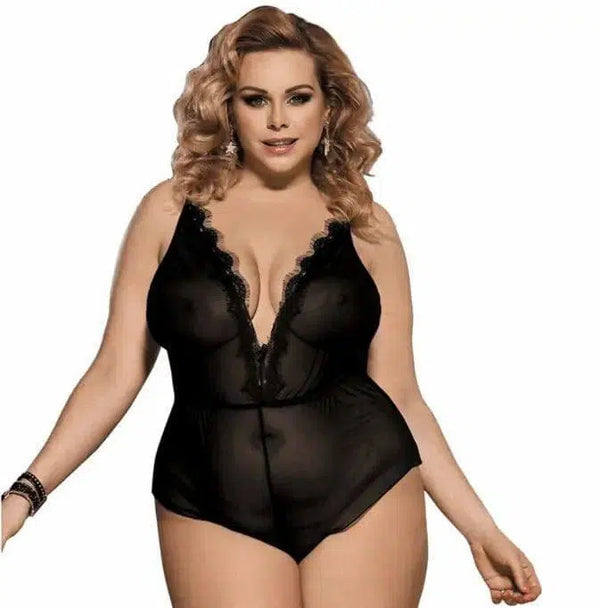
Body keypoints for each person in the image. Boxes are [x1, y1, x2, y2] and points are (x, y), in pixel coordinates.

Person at [1, 6, 542, 607]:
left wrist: (480, 529)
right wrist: (22, 497)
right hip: (208, 498)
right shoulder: (167, 212)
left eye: (298, 98)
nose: (278, 120)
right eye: (255, 99)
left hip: (364, 488)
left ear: (329, 107)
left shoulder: (367, 226)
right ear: (227, 107)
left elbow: (401, 395)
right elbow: (116, 371)